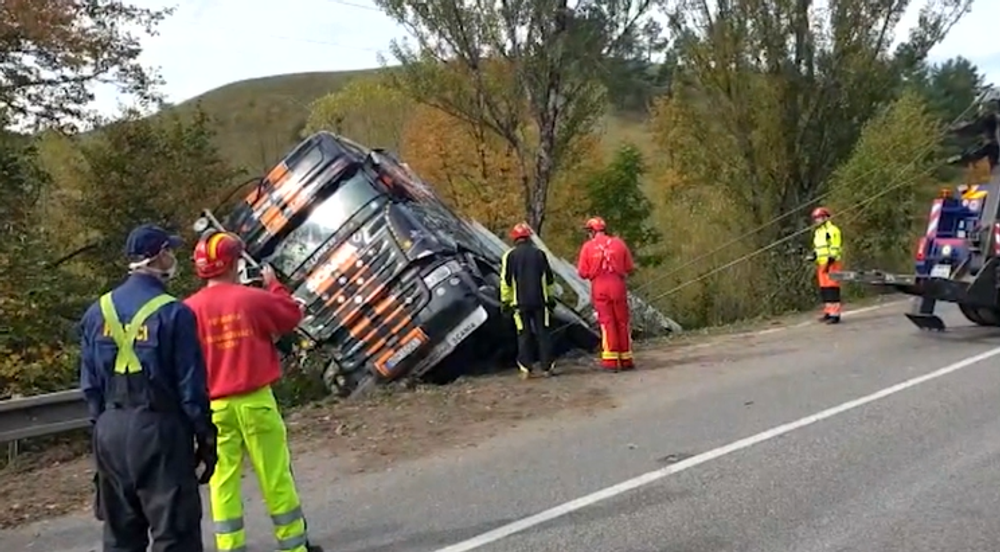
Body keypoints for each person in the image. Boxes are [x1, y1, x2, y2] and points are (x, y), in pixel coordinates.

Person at [79, 223, 216, 552]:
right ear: (160, 256)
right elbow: (191, 387)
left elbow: (89, 385)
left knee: (121, 537)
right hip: (159, 431)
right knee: (175, 534)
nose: (173, 257)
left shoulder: (97, 312)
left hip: (110, 429)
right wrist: (206, 438)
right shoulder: (174, 313)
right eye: (170, 251)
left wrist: (101, 433)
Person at [183, 230, 323, 552]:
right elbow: (290, 314)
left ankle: (231, 547)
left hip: (213, 409)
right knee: (275, 477)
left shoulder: (187, 310)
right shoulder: (251, 299)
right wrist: (273, 283)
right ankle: (294, 547)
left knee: (222, 482)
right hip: (256, 402)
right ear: (233, 262)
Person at [576, 216, 635, 371]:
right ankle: (626, 358)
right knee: (622, 321)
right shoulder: (619, 243)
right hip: (618, 285)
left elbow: (582, 272)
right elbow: (629, 267)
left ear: (591, 231)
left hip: (600, 286)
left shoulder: (588, 247)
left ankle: (610, 360)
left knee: (607, 322)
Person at [499, 222, 557, 379]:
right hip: (540, 301)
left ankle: (526, 368)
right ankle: (547, 368)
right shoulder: (539, 254)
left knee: (523, 334)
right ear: (528, 238)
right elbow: (549, 278)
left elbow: (506, 281)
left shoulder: (509, 256)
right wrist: (550, 297)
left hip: (520, 303)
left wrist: (506, 301)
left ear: (515, 239)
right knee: (543, 333)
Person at [807, 206, 843, 324]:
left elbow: (835, 245)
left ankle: (835, 314)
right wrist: (814, 255)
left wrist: (832, 257)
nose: (817, 221)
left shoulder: (832, 230)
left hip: (832, 263)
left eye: (819, 218)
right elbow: (819, 248)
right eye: (816, 218)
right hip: (821, 263)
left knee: (832, 288)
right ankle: (828, 312)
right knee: (825, 289)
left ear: (826, 218)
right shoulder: (818, 232)